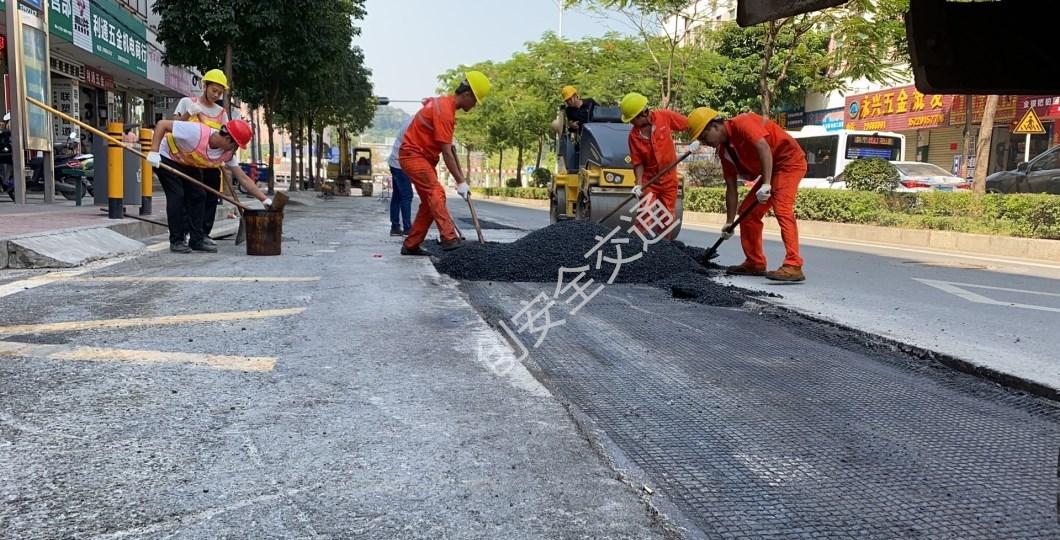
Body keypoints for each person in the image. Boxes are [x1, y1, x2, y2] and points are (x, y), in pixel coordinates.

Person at [687, 106, 808, 282]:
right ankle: (755, 262)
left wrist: (766, 184)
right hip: (771, 170)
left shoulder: (742, 123)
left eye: (705, 138)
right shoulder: (725, 152)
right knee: (747, 213)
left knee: (782, 208)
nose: (706, 143)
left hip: (788, 161)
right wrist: (729, 222)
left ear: (714, 126)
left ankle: (794, 264)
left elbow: (763, 147)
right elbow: (731, 188)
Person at [398, 71, 491, 256]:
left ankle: (411, 245)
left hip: (421, 157)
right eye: (475, 101)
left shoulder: (444, 105)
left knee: (430, 203)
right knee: (437, 192)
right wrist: (461, 182)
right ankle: (449, 238)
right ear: (467, 94)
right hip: (414, 156)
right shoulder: (445, 112)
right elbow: (447, 154)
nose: (474, 106)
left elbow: (444, 145)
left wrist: (460, 178)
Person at [146, 119, 271, 254]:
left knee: (199, 195)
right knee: (177, 196)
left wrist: (265, 200)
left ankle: (196, 239)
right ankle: (177, 241)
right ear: (228, 139)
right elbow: (162, 124)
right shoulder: (196, 132)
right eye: (235, 145)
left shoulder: (227, 154)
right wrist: (154, 151)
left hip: (188, 163)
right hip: (167, 157)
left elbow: (243, 178)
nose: (235, 150)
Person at [174, 69, 230, 247]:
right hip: (188, 161)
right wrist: (189, 114)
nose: (216, 95)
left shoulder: (221, 113)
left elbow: (226, 137)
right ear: (204, 86)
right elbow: (173, 126)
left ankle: (203, 234)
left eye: (220, 92)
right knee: (191, 198)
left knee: (210, 198)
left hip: (211, 163)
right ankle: (186, 233)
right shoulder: (187, 103)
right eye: (214, 90)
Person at [619, 92, 688, 229]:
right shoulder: (633, 136)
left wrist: (698, 140)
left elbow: (688, 124)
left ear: (643, 113)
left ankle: (663, 242)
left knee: (667, 218)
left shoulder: (664, 117)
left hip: (669, 179)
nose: (631, 123)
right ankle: (639, 240)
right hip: (649, 180)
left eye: (633, 119)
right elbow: (638, 162)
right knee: (645, 215)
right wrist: (639, 184)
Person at [388, 117, 414, 236]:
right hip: (400, 163)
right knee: (407, 195)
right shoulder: (414, 124)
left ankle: (395, 227)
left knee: (397, 196)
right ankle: (407, 228)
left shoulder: (412, 120)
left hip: (395, 161)